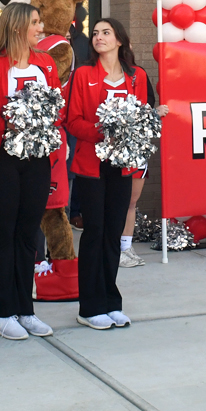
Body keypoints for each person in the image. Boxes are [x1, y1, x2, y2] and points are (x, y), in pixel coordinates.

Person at [65, 18, 162, 328]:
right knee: (94, 233)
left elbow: (144, 119)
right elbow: (73, 121)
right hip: (92, 165)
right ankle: (89, 308)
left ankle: (111, 302)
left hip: (123, 165)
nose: (98, 37)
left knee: (112, 233)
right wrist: (103, 132)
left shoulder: (137, 76)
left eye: (105, 33)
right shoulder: (83, 75)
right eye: (95, 33)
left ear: (120, 40)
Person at [0, 2, 62, 341]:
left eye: (40, 22)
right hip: (3, 157)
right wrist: (13, 120)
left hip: (38, 157)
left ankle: (24, 309)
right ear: (16, 27)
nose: (40, 28)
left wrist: (45, 124)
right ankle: (2, 312)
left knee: (28, 233)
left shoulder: (44, 62)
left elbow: (57, 106)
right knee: (3, 233)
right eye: (34, 22)